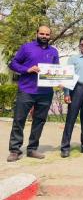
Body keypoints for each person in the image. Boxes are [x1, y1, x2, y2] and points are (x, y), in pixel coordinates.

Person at [7, 26, 60, 162]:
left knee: (39, 121)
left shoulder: (53, 52)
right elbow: (13, 64)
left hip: (45, 93)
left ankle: (32, 149)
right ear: (37, 34)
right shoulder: (26, 48)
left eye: (47, 34)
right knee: (19, 120)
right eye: (42, 33)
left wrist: (60, 79)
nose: (44, 36)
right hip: (26, 90)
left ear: (50, 36)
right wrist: (27, 69)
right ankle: (14, 150)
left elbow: (56, 70)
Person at [60, 36, 83, 158]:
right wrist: (67, 93)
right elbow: (67, 76)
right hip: (76, 89)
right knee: (71, 119)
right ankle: (65, 147)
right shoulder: (73, 59)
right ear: (79, 46)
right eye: (82, 44)